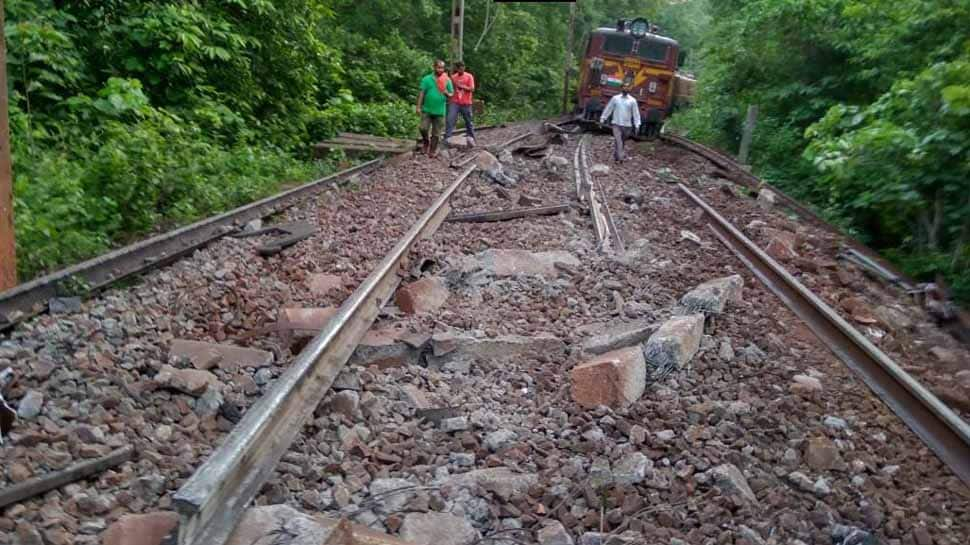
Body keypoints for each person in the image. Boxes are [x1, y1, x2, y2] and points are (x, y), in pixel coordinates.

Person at [417, 60, 453, 158]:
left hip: (440, 111)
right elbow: (421, 93)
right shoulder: (427, 79)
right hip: (427, 109)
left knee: (436, 134)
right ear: (434, 67)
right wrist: (418, 107)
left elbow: (451, 94)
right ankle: (426, 142)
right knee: (423, 128)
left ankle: (432, 150)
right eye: (439, 67)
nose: (441, 69)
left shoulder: (447, 80)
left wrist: (447, 93)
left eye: (442, 68)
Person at [599, 83, 641, 162]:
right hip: (616, 124)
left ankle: (616, 155)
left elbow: (636, 113)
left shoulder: (633, 101)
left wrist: (637, 124)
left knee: (622, 142)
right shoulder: (615, 98)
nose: (626, 88)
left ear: (629, 89)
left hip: (627, 126)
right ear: (621, 88)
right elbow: (609, 109)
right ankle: (621, 157)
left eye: (627, 87)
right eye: (624, 87)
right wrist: (602, 118)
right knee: (618, 140)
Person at [445, 61, 476, 144]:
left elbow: (472, 89)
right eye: (459, 68)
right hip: (455, 101)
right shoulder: (453, 77)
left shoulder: (469, 76)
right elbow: (449, 88)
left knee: (468, 120)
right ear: (457, 69)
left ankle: (472, 137)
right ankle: (448, 138)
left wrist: (462, 86)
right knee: (450, 118)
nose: (461, 70)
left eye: (462, 68)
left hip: (466, 102)